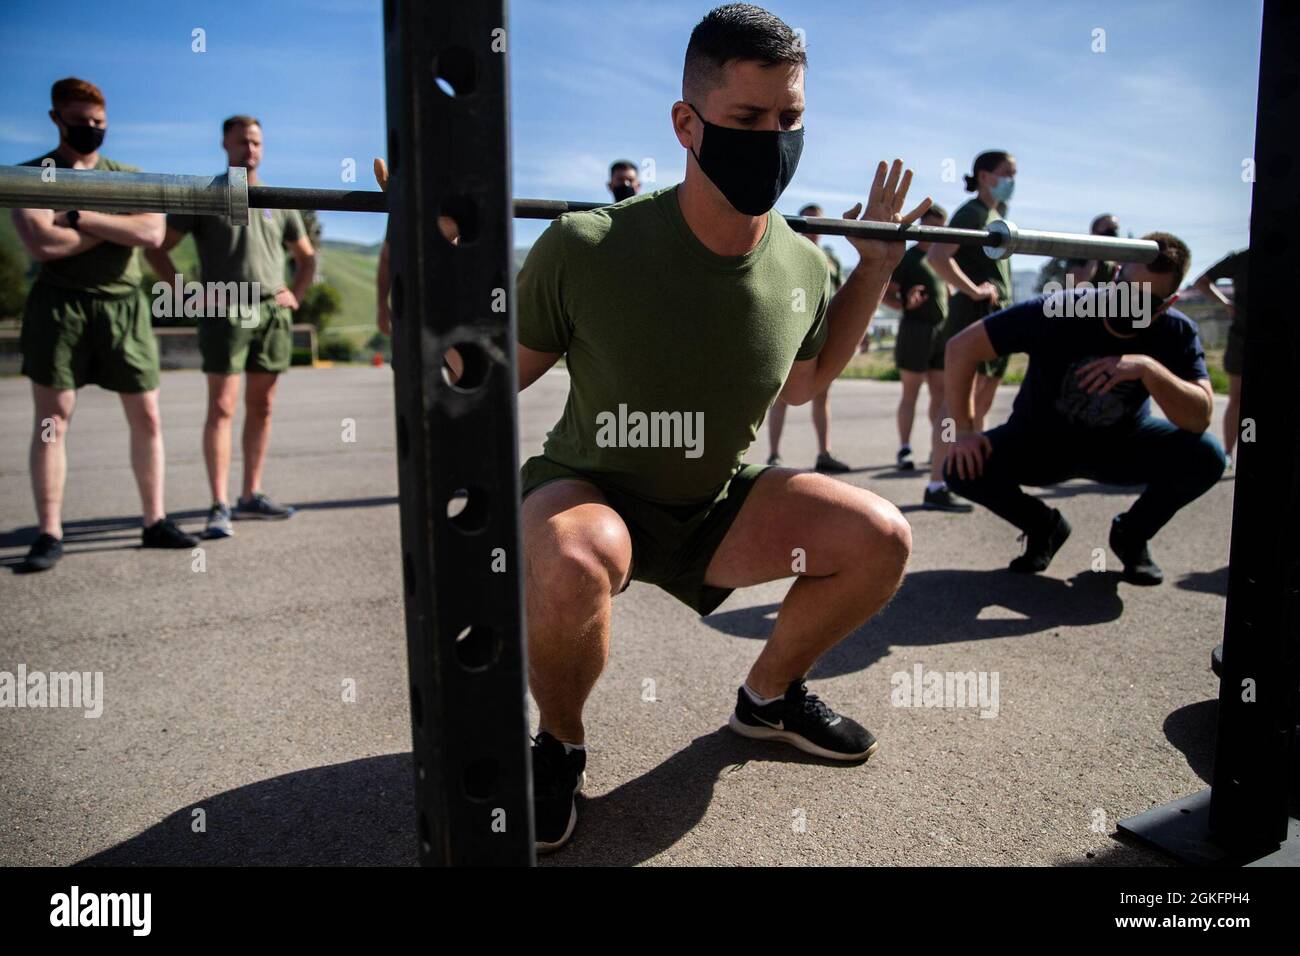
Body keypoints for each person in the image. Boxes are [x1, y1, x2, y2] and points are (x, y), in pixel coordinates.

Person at [508, 3, 924, 852]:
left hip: (717, 506)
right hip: (596, 491)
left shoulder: (806, 262)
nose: (772, 138)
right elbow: (480, 386)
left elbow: (805, 383)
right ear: (687, 124)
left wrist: (872, 271)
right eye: (746, 119)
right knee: (571, 558)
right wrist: (424, 248)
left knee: (881, 537)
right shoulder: (587, 246)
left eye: (790, 119)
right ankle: (558, 745)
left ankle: (768, 698)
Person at [942, 232, 1225, 586]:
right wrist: (965, 431)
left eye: (1144, 302)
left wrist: (1147, 369)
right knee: (961, 466)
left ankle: (1131, 537)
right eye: (1124, 293)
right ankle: (1043, 526)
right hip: (1041, 444)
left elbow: (1198, 418)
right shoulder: (1061, 309)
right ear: (1116, 275)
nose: (1127, 307)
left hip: (1121, 447)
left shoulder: (1176, 332)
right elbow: (960, 349)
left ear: (1167, 304)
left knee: (1207, 455)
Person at [12, 77, 198, 572]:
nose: (91, 129)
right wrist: (116, 230)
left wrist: (76, 216)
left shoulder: (129, 175)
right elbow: (43, 246)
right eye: (80, 121)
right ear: (57, 118)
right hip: (60, 306)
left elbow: (153, 231)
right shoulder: (31, 175)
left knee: (148, 416)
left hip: (124, 307)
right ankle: (50, 531)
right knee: (54, 420)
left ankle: (154, 520)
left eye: (99, 122)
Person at [146, 116, 316, 538]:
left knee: (263, 406)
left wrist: (294, 292)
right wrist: (186, 295)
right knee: (222, 407)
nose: (250, 149)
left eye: (256, 142)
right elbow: (158, 250)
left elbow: (307, 257)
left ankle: (250, 494)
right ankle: (219, 503)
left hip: (271, 313)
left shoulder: (277, 199)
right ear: (224, 144)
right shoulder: (206, 195)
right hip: (225, 309)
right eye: (242, 142)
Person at [921, 150, 1016, 512]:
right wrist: (973, 290)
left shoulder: (996, 215)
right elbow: (938, 257)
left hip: (994, 318)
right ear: (984, 175)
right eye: (1006, 173)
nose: (1012, 181)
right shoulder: (972, 212)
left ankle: (968, 477)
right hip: (971, 316)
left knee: (980, 407)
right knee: (955, 403)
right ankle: (937, 482)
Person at [765, 202, 850, 472]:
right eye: (809, 221)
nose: (814, 227)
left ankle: (824, 453)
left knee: (822, 394)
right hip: (790, 330)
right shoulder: (786, 251)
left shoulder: (831, 260)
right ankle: (774, 455)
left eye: (818, 221)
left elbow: (839, 296)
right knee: (780, 396)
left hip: (822, 331)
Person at [883, 204, 948, 471]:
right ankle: (905, 449)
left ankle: (940, 448)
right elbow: (886, 293)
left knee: (941, 396)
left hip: (942, 333)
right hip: (914, 330)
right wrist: (904, 305)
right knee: (911, 393)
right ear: (922, 225)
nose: (936, 232)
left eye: (940, 228)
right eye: (931, 227)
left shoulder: (943, 257)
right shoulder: (908, 259)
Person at [1193, 248, 1248, 465]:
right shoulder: (1242, 259)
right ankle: (1228, 451)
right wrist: (1226, 304)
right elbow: (1202, 281)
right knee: (1237, 398)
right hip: (1243, 336)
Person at [1066, 214, 1121, 286]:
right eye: (1108, 229)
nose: (1113, 233)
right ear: (1094, 231)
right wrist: (1095, 253)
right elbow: (1079, 280)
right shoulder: (1080, 253)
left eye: (1115, 229)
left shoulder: (1117, 258)